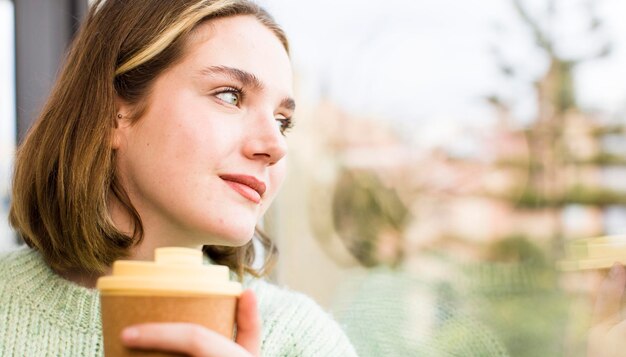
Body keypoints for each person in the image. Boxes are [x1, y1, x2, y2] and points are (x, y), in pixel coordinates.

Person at [0, 0, 357, 356]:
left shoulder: (303, 341)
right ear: (112, 113)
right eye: (230, 96)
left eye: (282, 121)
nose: (275, 146)